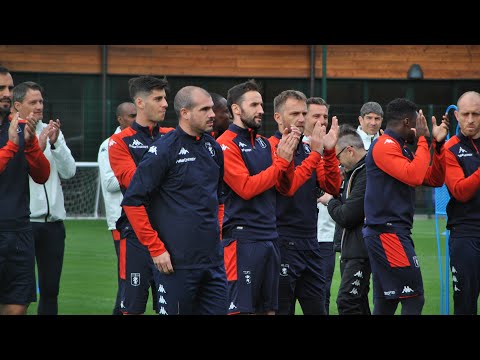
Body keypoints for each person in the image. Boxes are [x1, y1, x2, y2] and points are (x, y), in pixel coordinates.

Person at [122, 86, 227, 315]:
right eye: (205, 109)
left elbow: (219, 199)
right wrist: (156, 248)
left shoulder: (214, 148)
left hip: (213, 263)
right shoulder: (163, 149)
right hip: (176, 266)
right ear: (185, 113)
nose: (212, 114)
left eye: (212, 108)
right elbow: (133, 202)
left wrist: (216, 234)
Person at [216, 79, 301, 315]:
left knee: (269, 310)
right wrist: (281, 162)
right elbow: (245, 188)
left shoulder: (264, 144)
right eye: (254, 105)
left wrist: (289, 155)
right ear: (236, 109)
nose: (261, 110)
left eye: (261, 104)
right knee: (242, 310)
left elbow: (286, 188)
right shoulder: (225, 145)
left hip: (270, 236)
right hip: (243, 239)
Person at [362, 97, 449, 315]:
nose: (423, 128)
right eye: (419, 123)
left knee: (387, 302)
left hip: (389, 232)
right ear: (407, 123)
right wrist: (422, 139)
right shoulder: (384, 145)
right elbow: (414, 176)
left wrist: (437, 146)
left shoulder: (401, 148)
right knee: (414, 298)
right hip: (388, 233)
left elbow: (434, 179)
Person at [269, 90, 341, 315]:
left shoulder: (309, 148)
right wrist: (316, 154)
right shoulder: (270, 147)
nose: (301, 119)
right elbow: (288, 188)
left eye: (303, 113)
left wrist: (328, 152)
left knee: (319, 308)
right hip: (282, 242)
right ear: (278, 117)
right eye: (294, 113)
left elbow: (332, 187)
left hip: (311, 242)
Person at [109, 75, 173, 315]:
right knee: (131, 308)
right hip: (136, 235)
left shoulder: (171, 135)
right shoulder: (119, 142)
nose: (165, 104)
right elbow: (136, 184)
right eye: (158, 98)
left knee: (171, 308)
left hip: (171, 234)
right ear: (140, 102)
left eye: (165, 98)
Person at [11, 81, 76, 315]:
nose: (39, 106)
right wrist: (34, 147)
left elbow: (69, 172)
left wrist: (56, 143)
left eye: (41, 101)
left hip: (53, 226)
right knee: (19, 293)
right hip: (23, 224)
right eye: (33, 102)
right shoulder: (11, 133)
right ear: (18, 105)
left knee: (50, 290)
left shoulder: (52, 130)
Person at [0, 67, 51, 315]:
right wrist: (11, 146)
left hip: (19, 232)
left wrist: (30, 144)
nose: (7, 93)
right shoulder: (13, 135)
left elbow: (42, 175)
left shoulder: (20, 128)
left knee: (18, 307)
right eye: (1, 89)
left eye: (9, 88)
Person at [319, 124, 371, 315]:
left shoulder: (364, 172)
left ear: (349, 151)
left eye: (338, 156)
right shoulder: (353, 172)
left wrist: (329, 201)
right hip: (351, 248)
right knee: (359, 302)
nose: (338, 163)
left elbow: (347, 216)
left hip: (360, 250)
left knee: (347, 302)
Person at [97, 102, 136, 315]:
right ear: (120, 119)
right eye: (131, 115)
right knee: (126, 280)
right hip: (120, 223)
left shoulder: (140, 141)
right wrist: (142, 171)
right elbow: (110, 184)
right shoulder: (108, 145)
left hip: (143, 220)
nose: (135, 118)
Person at [444, 91, 480, 315]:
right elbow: (459, 192)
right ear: (457, 116)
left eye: (476, 114)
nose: (470, 120)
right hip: (465, 233)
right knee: (465, 302)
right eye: (465, 114)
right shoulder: (451, 148)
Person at [304, 97, 337, 314]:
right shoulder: (294, 146)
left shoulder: (331, 147)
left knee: (322, 296)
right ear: (303, 117)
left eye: (324, 116)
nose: (322, 121)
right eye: (316, 116)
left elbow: (334, 187)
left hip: (326, 236)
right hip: (296, 237)